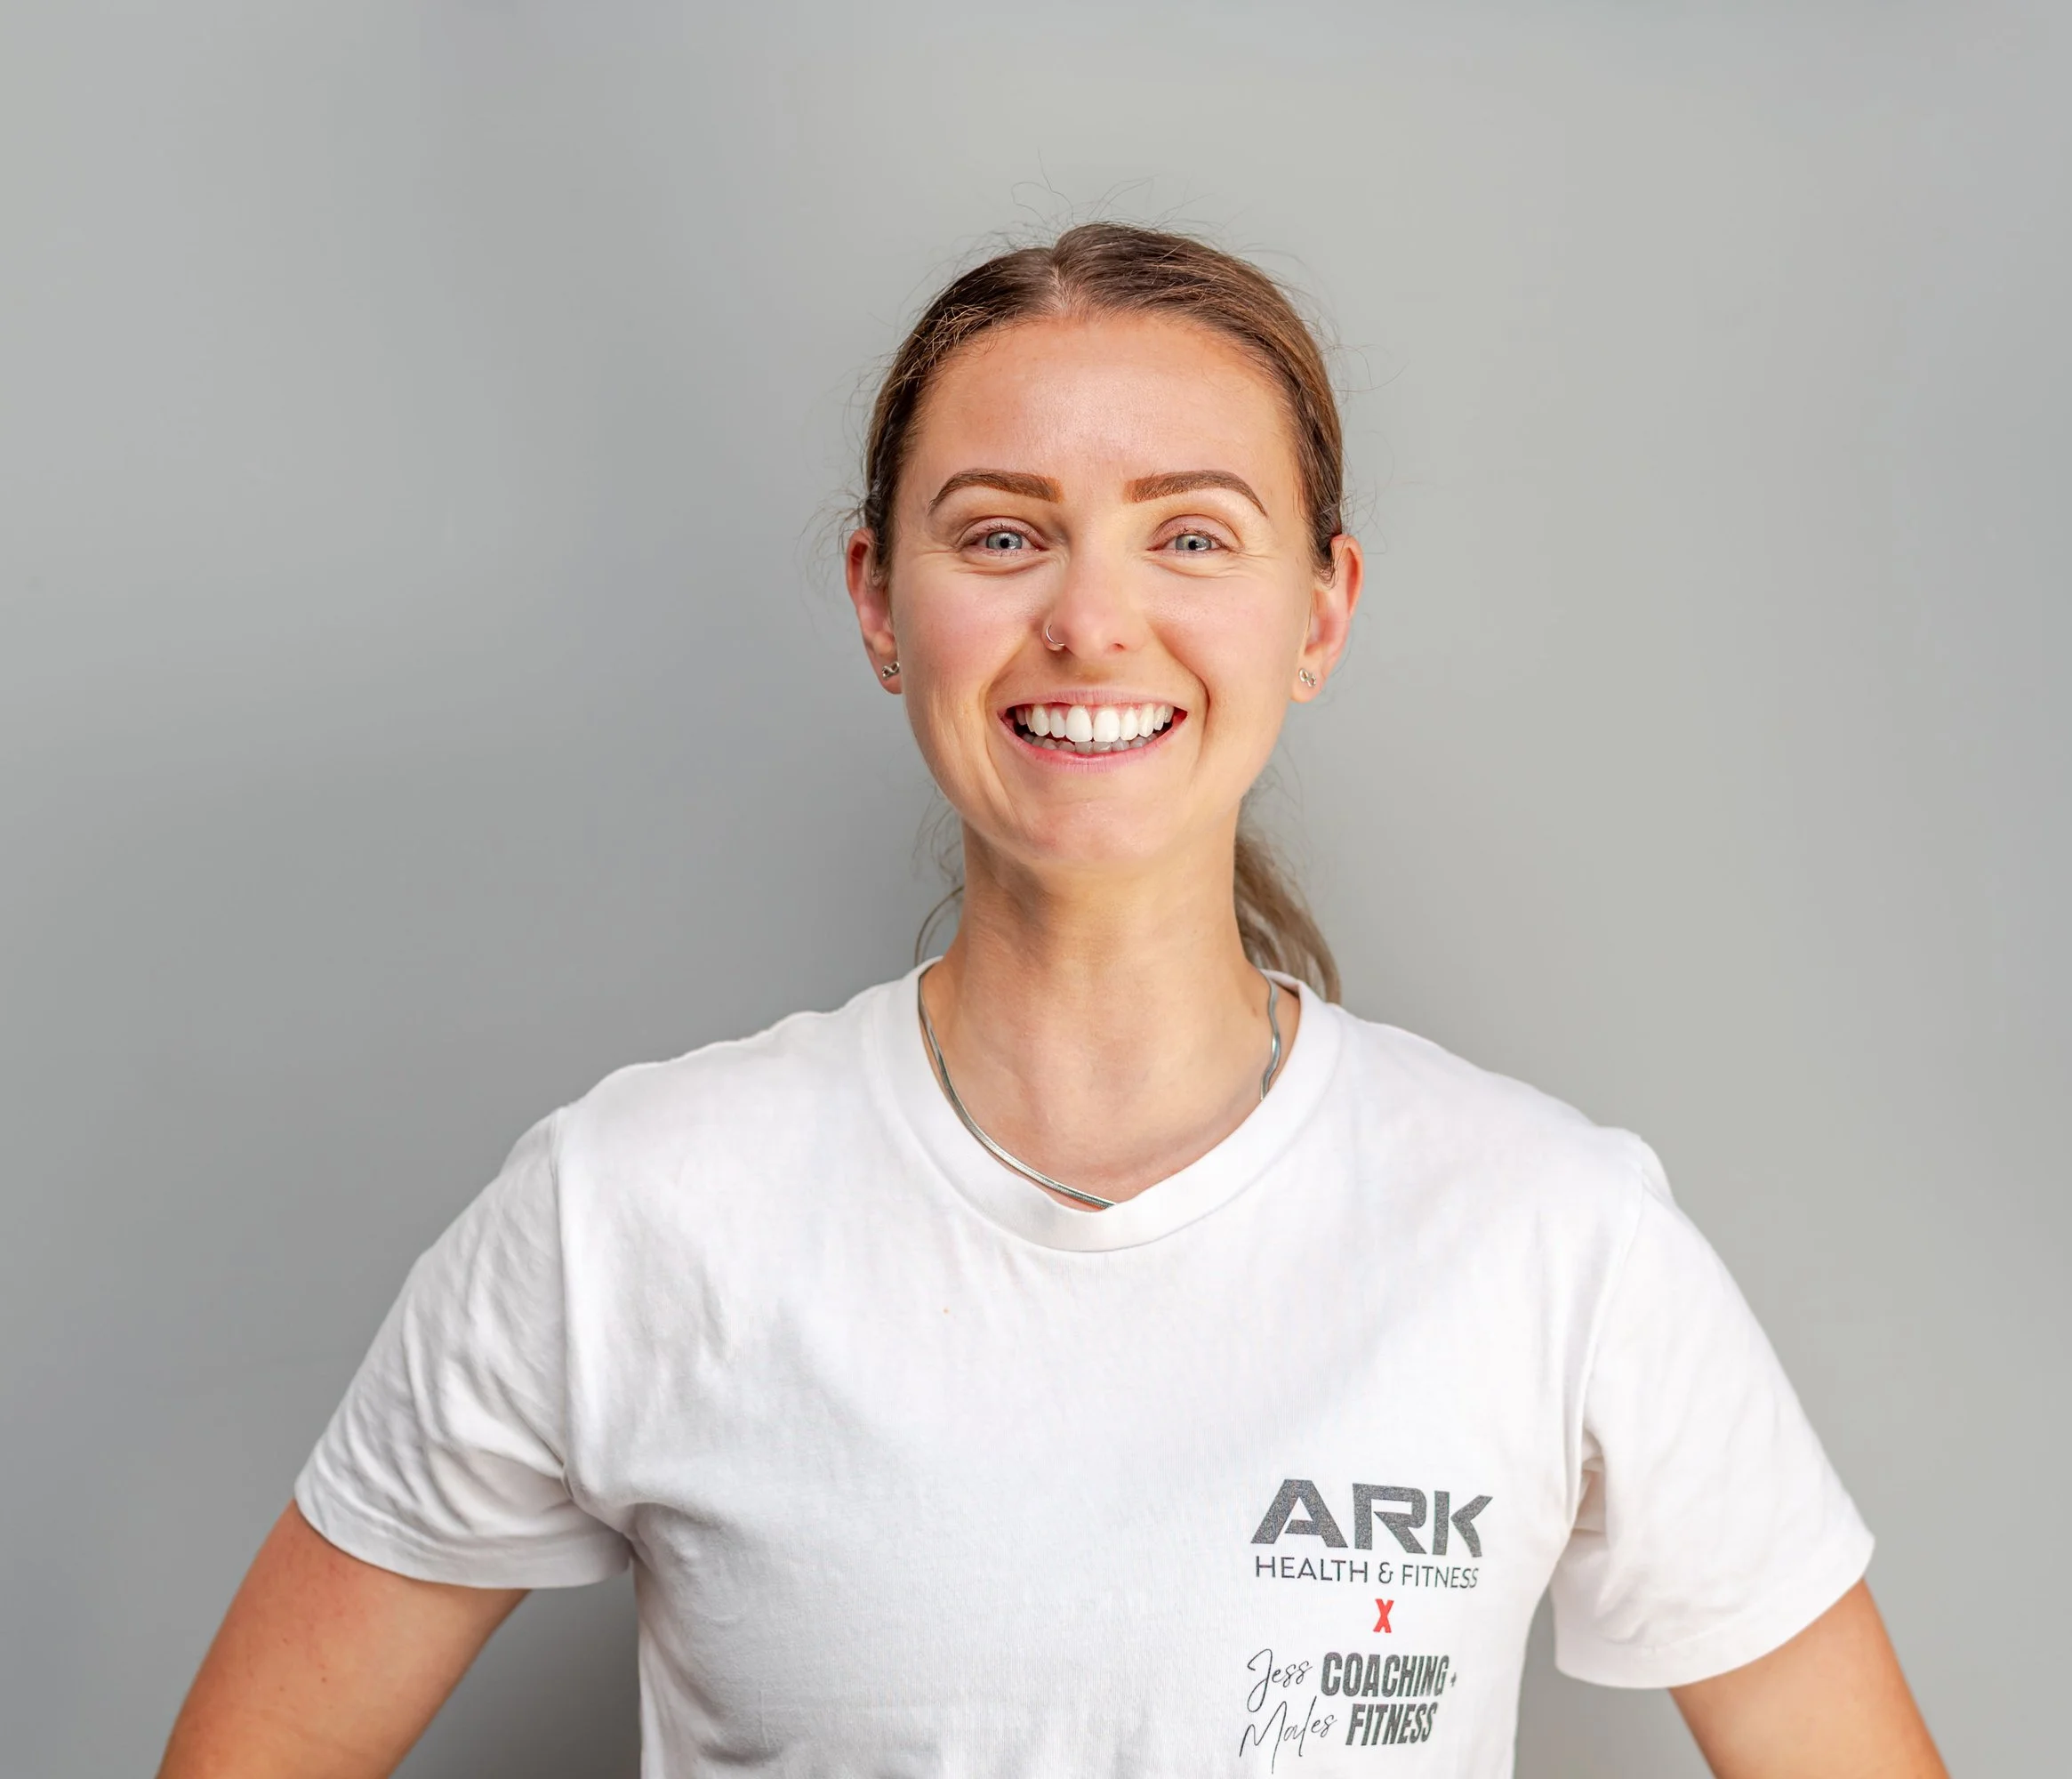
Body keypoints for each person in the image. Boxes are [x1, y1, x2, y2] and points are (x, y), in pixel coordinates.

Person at [159, 223, 1948, 1778]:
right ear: (879, 599)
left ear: (1317, 611)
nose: (1092, 621)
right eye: (1003, 537)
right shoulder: (629, 1206)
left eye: (1190, 536)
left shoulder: (1547, 1235)